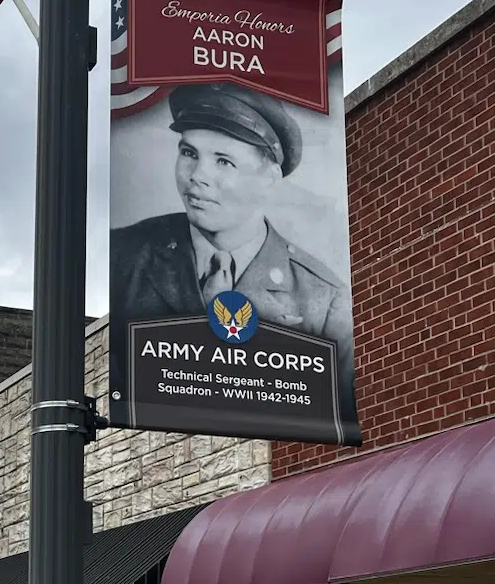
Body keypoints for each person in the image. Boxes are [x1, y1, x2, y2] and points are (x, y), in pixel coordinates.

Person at [110, 81, 356, 422]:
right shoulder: (123, 254)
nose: (198, 177)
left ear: (269, 178)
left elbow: (336, 413)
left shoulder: (324, 299)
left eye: (223, 162)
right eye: (189, 153)